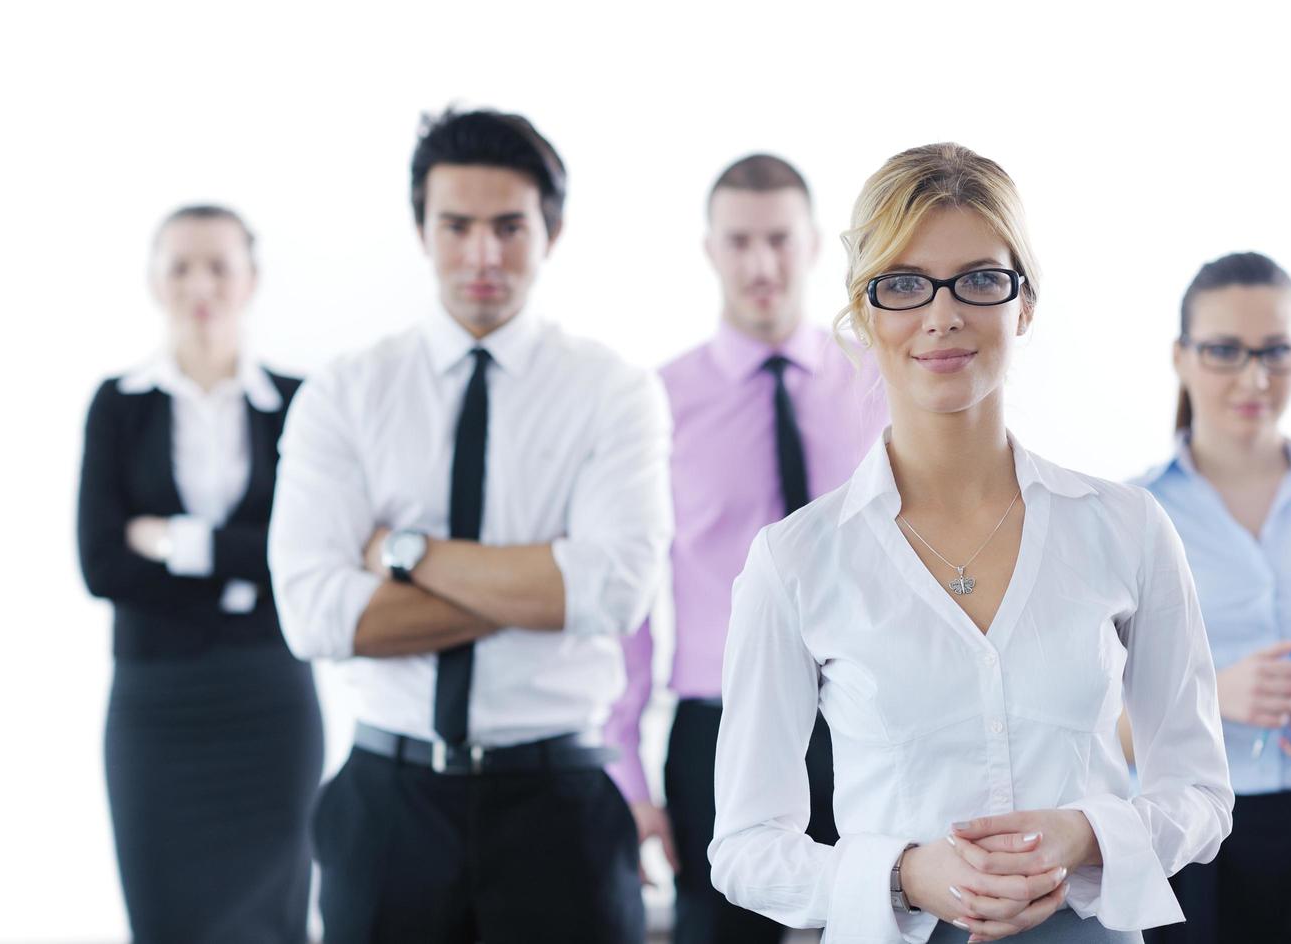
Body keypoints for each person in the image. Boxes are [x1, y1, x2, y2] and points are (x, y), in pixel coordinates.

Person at [708, 143, 1234, 944]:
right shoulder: (796, 561)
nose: (942, 314)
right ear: (865, 310)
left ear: (1024, 304)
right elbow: (744, 848)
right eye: (904, 284)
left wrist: (1084, 834)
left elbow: (1199, 793)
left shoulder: (1127, 529)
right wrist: (906, 873)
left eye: (981, 280)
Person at [268, 108, 672, 944]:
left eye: (509, 227)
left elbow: (616, 591)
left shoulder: (613, 392)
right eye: (457, 226)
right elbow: (314, 615)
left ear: (549, 233)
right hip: (388, 800)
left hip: (559, 799)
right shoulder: (345, 393)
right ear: (422, 230)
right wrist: (547, 583)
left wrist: (404, 558)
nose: (483, 255)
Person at [603, 153, 888, 943]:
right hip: (718, 727)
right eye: (739, 242)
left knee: (887, 924)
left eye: (778, 240)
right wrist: (626, 772)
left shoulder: (881, 387)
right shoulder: (656, 404)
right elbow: (630, 596)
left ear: (813, 246)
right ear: (710, 251)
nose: (761, 264)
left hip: (871, 715)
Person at [76, 205, 323, 943]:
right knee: (164, 917)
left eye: (219, 264)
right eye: (179, 266)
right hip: (157, 704)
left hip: (268, 697)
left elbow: (305, 553)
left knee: (275, 916)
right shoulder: (119, 406)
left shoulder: (298, 403)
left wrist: (180, 546)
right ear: (154, 281)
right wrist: (242, 557)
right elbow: (101, 562)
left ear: (252, 279)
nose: (200, 284)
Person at [1135, 252, 1291, 944]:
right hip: (1185, 844)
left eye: (1277, 351)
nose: (1254, 378)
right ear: (1181, 357)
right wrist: (1204, 697)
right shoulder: (1130, 516)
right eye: (1224, 352)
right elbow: (1080, 724)